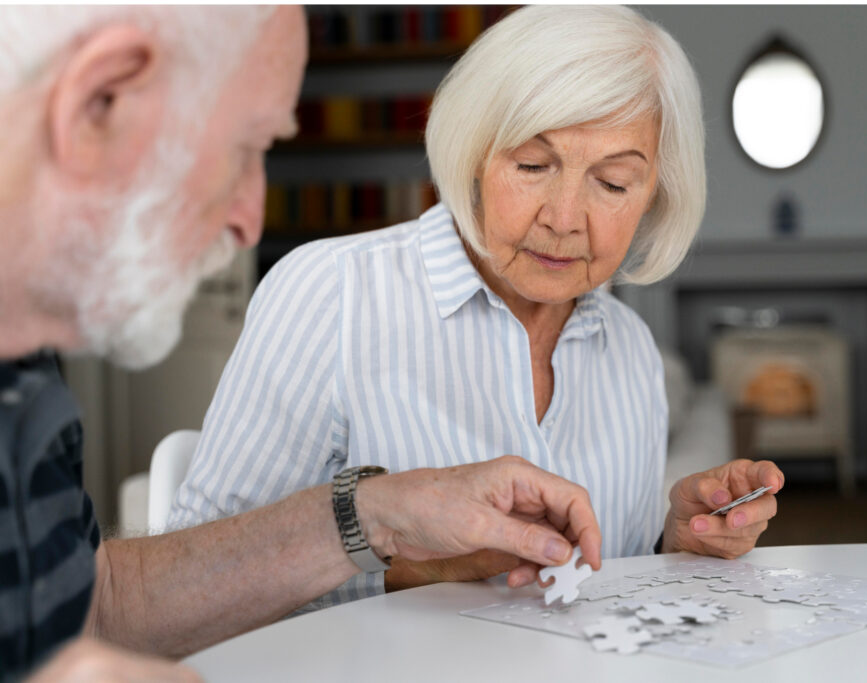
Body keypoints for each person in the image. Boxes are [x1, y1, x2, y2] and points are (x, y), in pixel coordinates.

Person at [0, 7, 603, 681]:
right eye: (245, 147)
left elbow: (95, 603)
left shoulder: (25, 364)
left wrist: (380, 513)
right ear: (100, 98)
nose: (251, 218)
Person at [171, 4, 784, 607]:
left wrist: (671, 543)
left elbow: (594, 588)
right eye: (532, 164)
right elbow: (193, 585)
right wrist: (409, 570)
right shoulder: (331, 294)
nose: (564, 219)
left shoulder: (630, 348)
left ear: (655, 195)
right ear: (473, 154)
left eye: (613, 183)